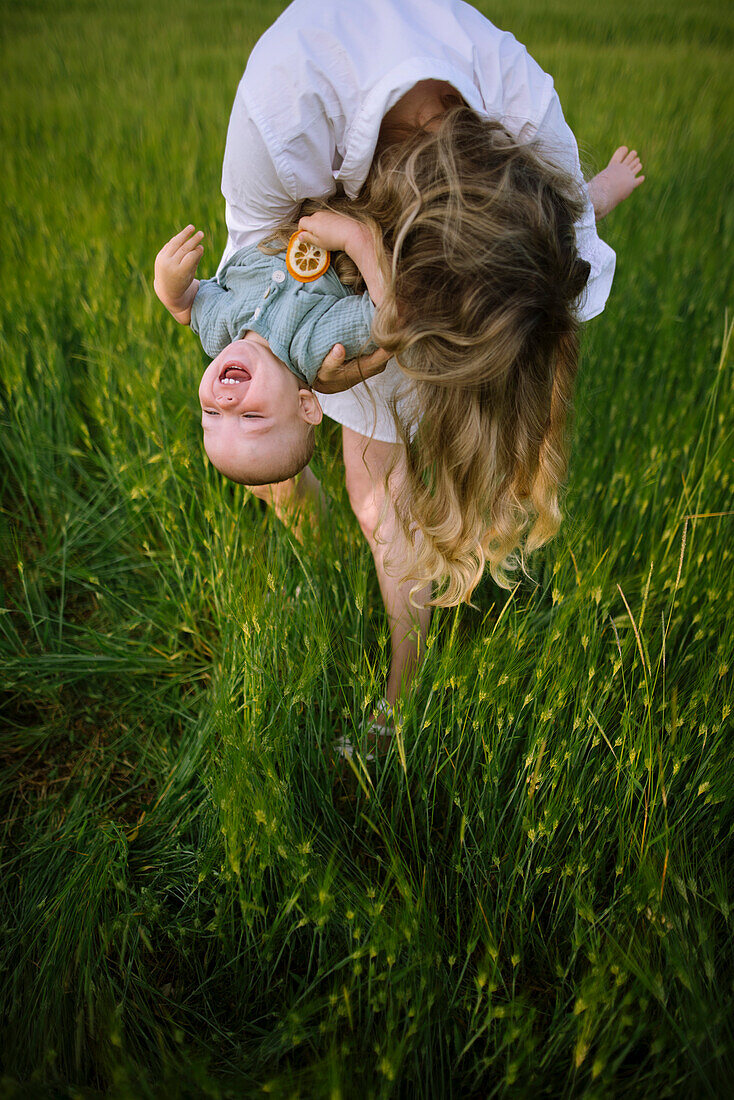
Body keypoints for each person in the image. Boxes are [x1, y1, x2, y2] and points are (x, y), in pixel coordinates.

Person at [212, 0, 645, 755]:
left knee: (381, 504)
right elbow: (255, 290)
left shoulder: (526, 121)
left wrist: (599, 191)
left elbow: (566, 221)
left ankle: (399, 700)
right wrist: (316, 371)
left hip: (394, 272)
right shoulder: (287, 110)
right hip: (320, 273)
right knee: (270, 446)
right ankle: (317, 537)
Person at [153, 218, 386, 490]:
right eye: (250, 417)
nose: (226, 402)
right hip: (326, 218)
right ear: (304, 406)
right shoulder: (313, 345)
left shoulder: (218, 331)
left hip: (263, 221)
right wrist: (356, 241)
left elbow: (188, 304)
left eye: (211, 413)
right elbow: (388, 316)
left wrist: (171, 291)